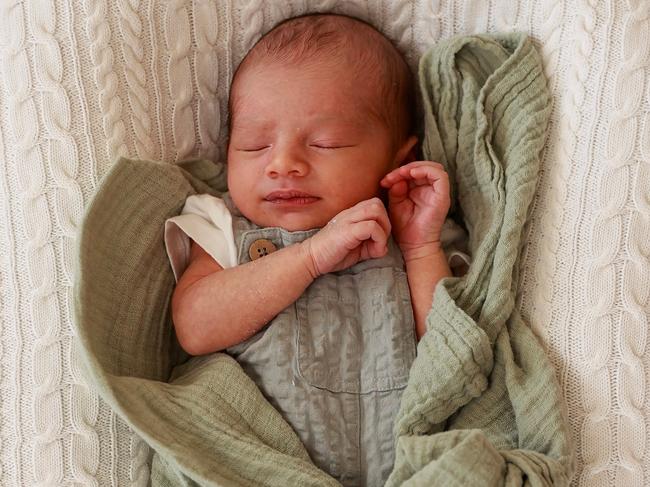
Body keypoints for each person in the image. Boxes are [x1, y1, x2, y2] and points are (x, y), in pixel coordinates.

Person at [164, 12, 470, 487]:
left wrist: (419, 246)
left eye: (325, 143)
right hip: (255, 465)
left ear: (400, 159)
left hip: (403, 467)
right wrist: (308, 257)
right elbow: (194, 327)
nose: (283, 163)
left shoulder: (414, 232)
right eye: (254, 145)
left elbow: (447, 354)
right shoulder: (223, 225)